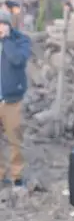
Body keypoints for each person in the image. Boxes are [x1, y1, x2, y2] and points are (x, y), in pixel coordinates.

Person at [0, 10, 32, 187]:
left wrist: (6, 41)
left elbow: (17, 60)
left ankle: (16, 176)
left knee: (14, 139)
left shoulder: (20, 40)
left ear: (8, 25)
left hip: (12, 100)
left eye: (1, 24)